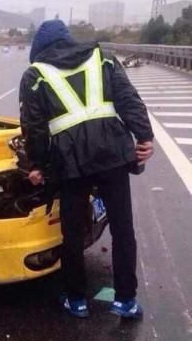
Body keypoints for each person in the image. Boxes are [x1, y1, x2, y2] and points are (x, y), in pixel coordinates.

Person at [19, 20, 154, 319]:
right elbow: (129, 100)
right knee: (123, 230)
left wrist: (37, 164)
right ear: (68, 38)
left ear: (38, 49)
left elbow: (34, 128)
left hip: (70, 165)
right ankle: (126, 301)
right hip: (113, 156)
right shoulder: (101, 57)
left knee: (72, 234)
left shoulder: (35, 75)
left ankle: (76, 300)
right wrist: (144, 136)